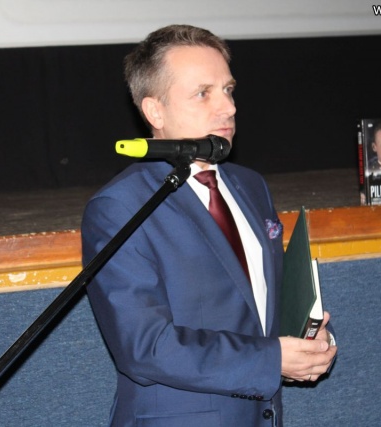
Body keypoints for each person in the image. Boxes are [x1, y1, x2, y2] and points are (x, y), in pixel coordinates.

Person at [81, 24, 336, 427]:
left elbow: (261, 305)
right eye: (203, 93)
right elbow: (144, 346)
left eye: (228, 90)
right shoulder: (121, 206)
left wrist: (308, 341)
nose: (228, 107)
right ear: (155, 111)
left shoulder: (251, 186)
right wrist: (271, 360)